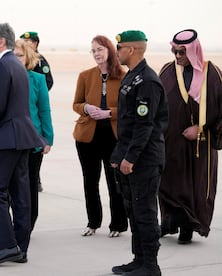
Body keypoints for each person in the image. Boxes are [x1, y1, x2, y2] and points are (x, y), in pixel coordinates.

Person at [0, 23, 46, 266]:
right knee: (20, 193)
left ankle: (7, 245)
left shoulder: (1, 65)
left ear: (1, 42)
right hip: (23, 137)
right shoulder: (17, 65)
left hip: (6, 138)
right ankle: (21, 247)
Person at [110, 30, 168, 276]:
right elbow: (128, 123)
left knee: (144, 211)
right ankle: (139, 259)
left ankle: (151, 266)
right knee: (133, 210)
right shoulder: (132, 77)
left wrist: (130, 158)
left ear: (131, 50)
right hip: (130, 156)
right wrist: (118, 155)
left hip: (144, 160)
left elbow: (145, 126)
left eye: (119, 48)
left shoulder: (147, 81)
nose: (117, 52)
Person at [158, 29, 222, 245]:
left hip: (200, 145)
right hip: (171, 142)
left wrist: (201, 129)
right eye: (174, 51)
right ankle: (168, 222)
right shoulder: (167, 71)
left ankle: (188, 226)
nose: (177, 57)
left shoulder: (212, 74)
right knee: (168, 182)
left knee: (194, 186)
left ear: (194, 51)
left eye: (182, 53)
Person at [72, 35, 128, 238]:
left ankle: (118, 224)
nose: (96, 53)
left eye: (100, 49)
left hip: (113, 137)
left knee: (115, 182)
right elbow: (76, 104)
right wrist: (86, 108)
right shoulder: (85, 76)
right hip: (88, 138)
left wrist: (109, 113)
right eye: (93, 50)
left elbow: (127, 108)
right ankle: (93, 222)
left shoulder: (123, 75)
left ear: (110, 51)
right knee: (90, 181)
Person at [14, 39, 54, 231]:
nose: (16, 59)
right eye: (13, 55)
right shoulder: (2, 76)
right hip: (9, 140)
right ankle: (5, 225)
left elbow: (44, 111)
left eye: (20, 55)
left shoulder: (38, 80)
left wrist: (47, 139)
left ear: (28, 58)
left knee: (29, 184)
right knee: (6, 186)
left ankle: (27, 223)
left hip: (33, 140)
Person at [20, 31, 54, 192]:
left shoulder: (40, 62)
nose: (27, 44)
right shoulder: (17, 59)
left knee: (33, 163)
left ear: (36, 43)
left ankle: (36, 180)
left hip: (35, 111)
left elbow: (48, 80)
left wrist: (39, 94)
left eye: (29, 41)